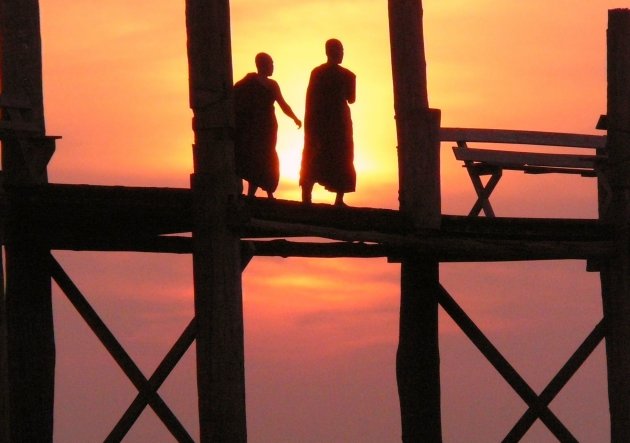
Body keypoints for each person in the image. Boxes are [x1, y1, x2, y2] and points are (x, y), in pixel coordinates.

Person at [234, 52, 302, 199]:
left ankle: (268, 191)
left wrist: (294, 118)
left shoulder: (271, 84)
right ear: (263, 65)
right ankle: (254, 193)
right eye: (271, 63)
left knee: (267, 157)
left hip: (268, 127)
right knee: (256, 158)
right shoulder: (249, 81)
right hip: (254, 127)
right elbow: (235, 96)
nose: (273, 67)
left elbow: (283, 105)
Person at [300, 38, 356, 206]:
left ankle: (334, 198)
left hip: (328, 121)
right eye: (338, 50)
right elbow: (351, 99)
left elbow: (311, 98)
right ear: (328, 52)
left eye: (342, 50)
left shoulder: (319, 73)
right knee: (333, 156)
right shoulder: (347, 75)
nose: (341, 54)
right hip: (332, 121)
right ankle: (313, 197)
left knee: (336, 156)